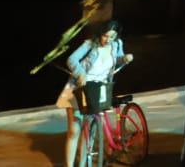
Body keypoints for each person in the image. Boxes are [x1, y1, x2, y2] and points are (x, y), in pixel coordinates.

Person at [57, 20, 133, 167]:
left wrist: (124, 59)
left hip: (98, 89)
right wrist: (80, 74)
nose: (108, 40)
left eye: (112, 37)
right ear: (100, 33)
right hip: (79, 89)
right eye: (105, 36)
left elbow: (117, 60)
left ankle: (85, 163)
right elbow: (71, 60)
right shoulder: (89, 44)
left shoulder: (117, 44)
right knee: (74, 131)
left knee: (90, 132)